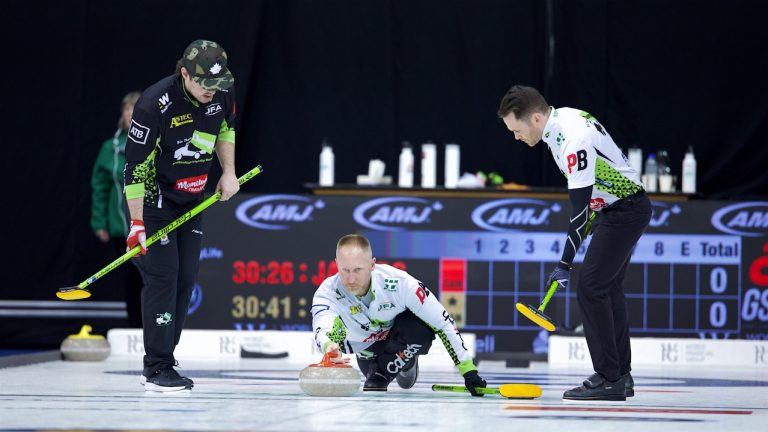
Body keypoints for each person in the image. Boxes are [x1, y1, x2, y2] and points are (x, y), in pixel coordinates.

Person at [497, 85, 651, 401]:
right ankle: (621, 374)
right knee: (607, 289)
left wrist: (564, 264)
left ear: (536, 118)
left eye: (517, 129)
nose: (516, 137)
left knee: (591, 288)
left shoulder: (572, 139)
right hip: (617, 208)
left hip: (624, 209)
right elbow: (590, 201)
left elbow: (578, 211)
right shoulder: (564, 119)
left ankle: (609, 378)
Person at [124, 40, 240, 392]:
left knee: (185, 279)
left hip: (193, 198)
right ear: (185, 73)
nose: (212, 90)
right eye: (204, 82)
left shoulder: (222, 91)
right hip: (155, 200)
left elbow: (225, 129)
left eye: (217, 83)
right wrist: (137, 222)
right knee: (164, 277)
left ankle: (166, 357)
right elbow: (135, 168)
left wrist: (228, 171)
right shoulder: (152, 104)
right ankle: (155, 368)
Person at [311, 234, 487, 394]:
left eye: (358, 270)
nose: (351, 279)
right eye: (345, 270)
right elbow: (323, 325)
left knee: (421, 329)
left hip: (399, 338)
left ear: (372, 265)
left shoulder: (401, 284)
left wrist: (468, 370)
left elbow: (442, 322)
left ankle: (406, 362)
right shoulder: (327, 293)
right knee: (373, 384)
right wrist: (329, 346)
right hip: (367, 352)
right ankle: (387, 367)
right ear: (336, 265)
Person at [90, 90, 144, 328]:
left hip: (149, 221)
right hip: (119, 223)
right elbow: (99, 187)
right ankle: (134, 327)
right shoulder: (110, 147)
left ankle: (154, 329)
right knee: (130, 278)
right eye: (127, 108)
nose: (131, 113)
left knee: (150, 276)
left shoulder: (155, 140)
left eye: (136, 108)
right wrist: (99, 222)